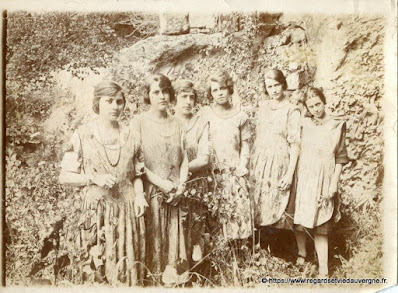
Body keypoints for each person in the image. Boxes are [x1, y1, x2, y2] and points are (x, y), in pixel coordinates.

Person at [59, 80, 148, 286]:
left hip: (127, 211)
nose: (115, 107)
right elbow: (65, 176)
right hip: (96, 212)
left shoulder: (132, 136)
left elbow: (137, 174)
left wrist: (140, 195)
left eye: (119, 102)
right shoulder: (83, 135)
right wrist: (93, 178)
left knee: (125, 266)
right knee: (96, 267)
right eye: (109, 101)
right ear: (97, 103)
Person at [129, 73, 189, 287]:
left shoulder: (179, 123)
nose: (162, 96)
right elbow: (137, 162)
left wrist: (181, 186)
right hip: (151, 193)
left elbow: (184, 158)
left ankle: (174, 282)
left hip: (175, 194)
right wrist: (162, 184)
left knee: (175, 239)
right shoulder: (139, 122)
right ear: (148, 95)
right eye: (156, 92)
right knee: (154, 240)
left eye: (165, 91)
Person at [294, 87, 349, 277]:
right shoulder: (305, 123)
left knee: (321, 226)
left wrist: (334, 182)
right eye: (311, 106)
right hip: (305, 178)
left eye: (318, 104)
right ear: (307, 108)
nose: (316, 109)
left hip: (325, 179)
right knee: (299, 219)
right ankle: (302, 254)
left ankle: (324, 270)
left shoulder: (336, 125)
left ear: (324, 101)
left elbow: (341, 157)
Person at [199, 70, 252, 241]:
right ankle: (220, 253)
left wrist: (242, 165)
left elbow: (246, 144)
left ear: (230, 89)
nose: (220, 93)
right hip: (213, 173)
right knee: (215, 214)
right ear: (210, 94)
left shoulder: (240, 116)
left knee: (237, 212)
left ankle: (240, 253)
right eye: (215, 90)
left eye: (223, 88)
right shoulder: (206, 113)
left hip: (234, 172)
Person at [250, 69, 300, 239]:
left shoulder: (292, 110)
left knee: (279, 204)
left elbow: (295, 144)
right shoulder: (262, 106)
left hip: (280, 161)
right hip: (259, 161)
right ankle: (261, 247)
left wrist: (289, 173)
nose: (274, 90)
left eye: (276, 85)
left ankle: (282, 249)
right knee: (258, 202)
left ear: (283, 84)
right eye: (269, 86)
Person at [173, 79, 210, 263]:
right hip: (171, 182)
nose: (188, 101)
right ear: (174, 99)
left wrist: (185, 171)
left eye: (191, 98)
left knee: (195, 228)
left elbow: (204, 157)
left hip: (194, 182)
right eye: (183, 97)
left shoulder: (201, 123)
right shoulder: (168, 122)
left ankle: (198, 272)